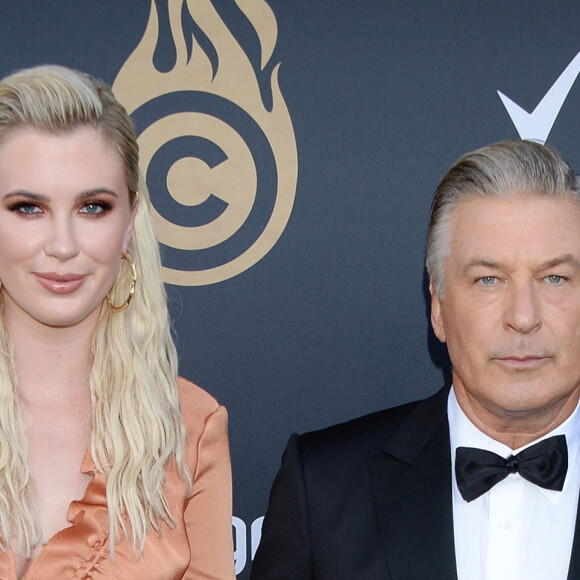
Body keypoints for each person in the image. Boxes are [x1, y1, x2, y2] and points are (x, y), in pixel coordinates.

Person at [251, 139, 580, 580]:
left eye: (554, 277)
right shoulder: (323, 488)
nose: (523, 317)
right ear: (438, 309)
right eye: (488, 279)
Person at [0, 64, 235, 579]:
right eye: (28, 208)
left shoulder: (189, 429)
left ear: (128, 223)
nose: (62, 245)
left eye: (91, 207)